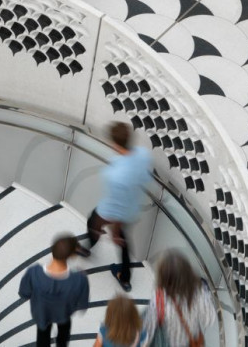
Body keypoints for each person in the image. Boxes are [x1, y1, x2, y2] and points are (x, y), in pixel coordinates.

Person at [83, 121, 152, 292]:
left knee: (94, 223)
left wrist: (114, 231)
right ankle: (125, 278)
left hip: (112, 211)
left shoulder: (114, 173)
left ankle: (88, 248)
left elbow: (116, 207)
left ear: (114, 143)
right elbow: (145, 178)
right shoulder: (143, 155)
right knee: (124, 243)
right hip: (132, 209)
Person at [18, 234, 88, 347]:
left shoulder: (33, 273)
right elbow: (81, 305)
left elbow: (24, 293)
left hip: (41, 314)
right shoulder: (79, 280)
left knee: (42, 337)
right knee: (63, 336)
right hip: (63, 314)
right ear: (72, 256)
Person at [140, 252, 216, 347]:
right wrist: (205, 291)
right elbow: (209, 319)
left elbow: (147, 330)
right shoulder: (199, 293)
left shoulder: (159, 300)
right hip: (191, 342)